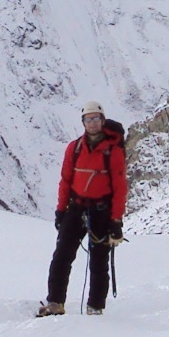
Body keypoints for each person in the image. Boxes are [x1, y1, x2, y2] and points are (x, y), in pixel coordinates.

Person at [41, 101, 125, 316]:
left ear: (102, 120)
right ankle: (55, 302)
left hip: (101, 211)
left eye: (96, 118)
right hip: (77, 208)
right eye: (89, 119)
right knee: (62, 255)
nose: (92, 123)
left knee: (98, 261)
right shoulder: (75, 148)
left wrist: (116, 220)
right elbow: (65, 180)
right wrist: (61, 210)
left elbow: (120, 188)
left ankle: (95, 306)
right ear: (83, 122)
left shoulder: (113, 151)